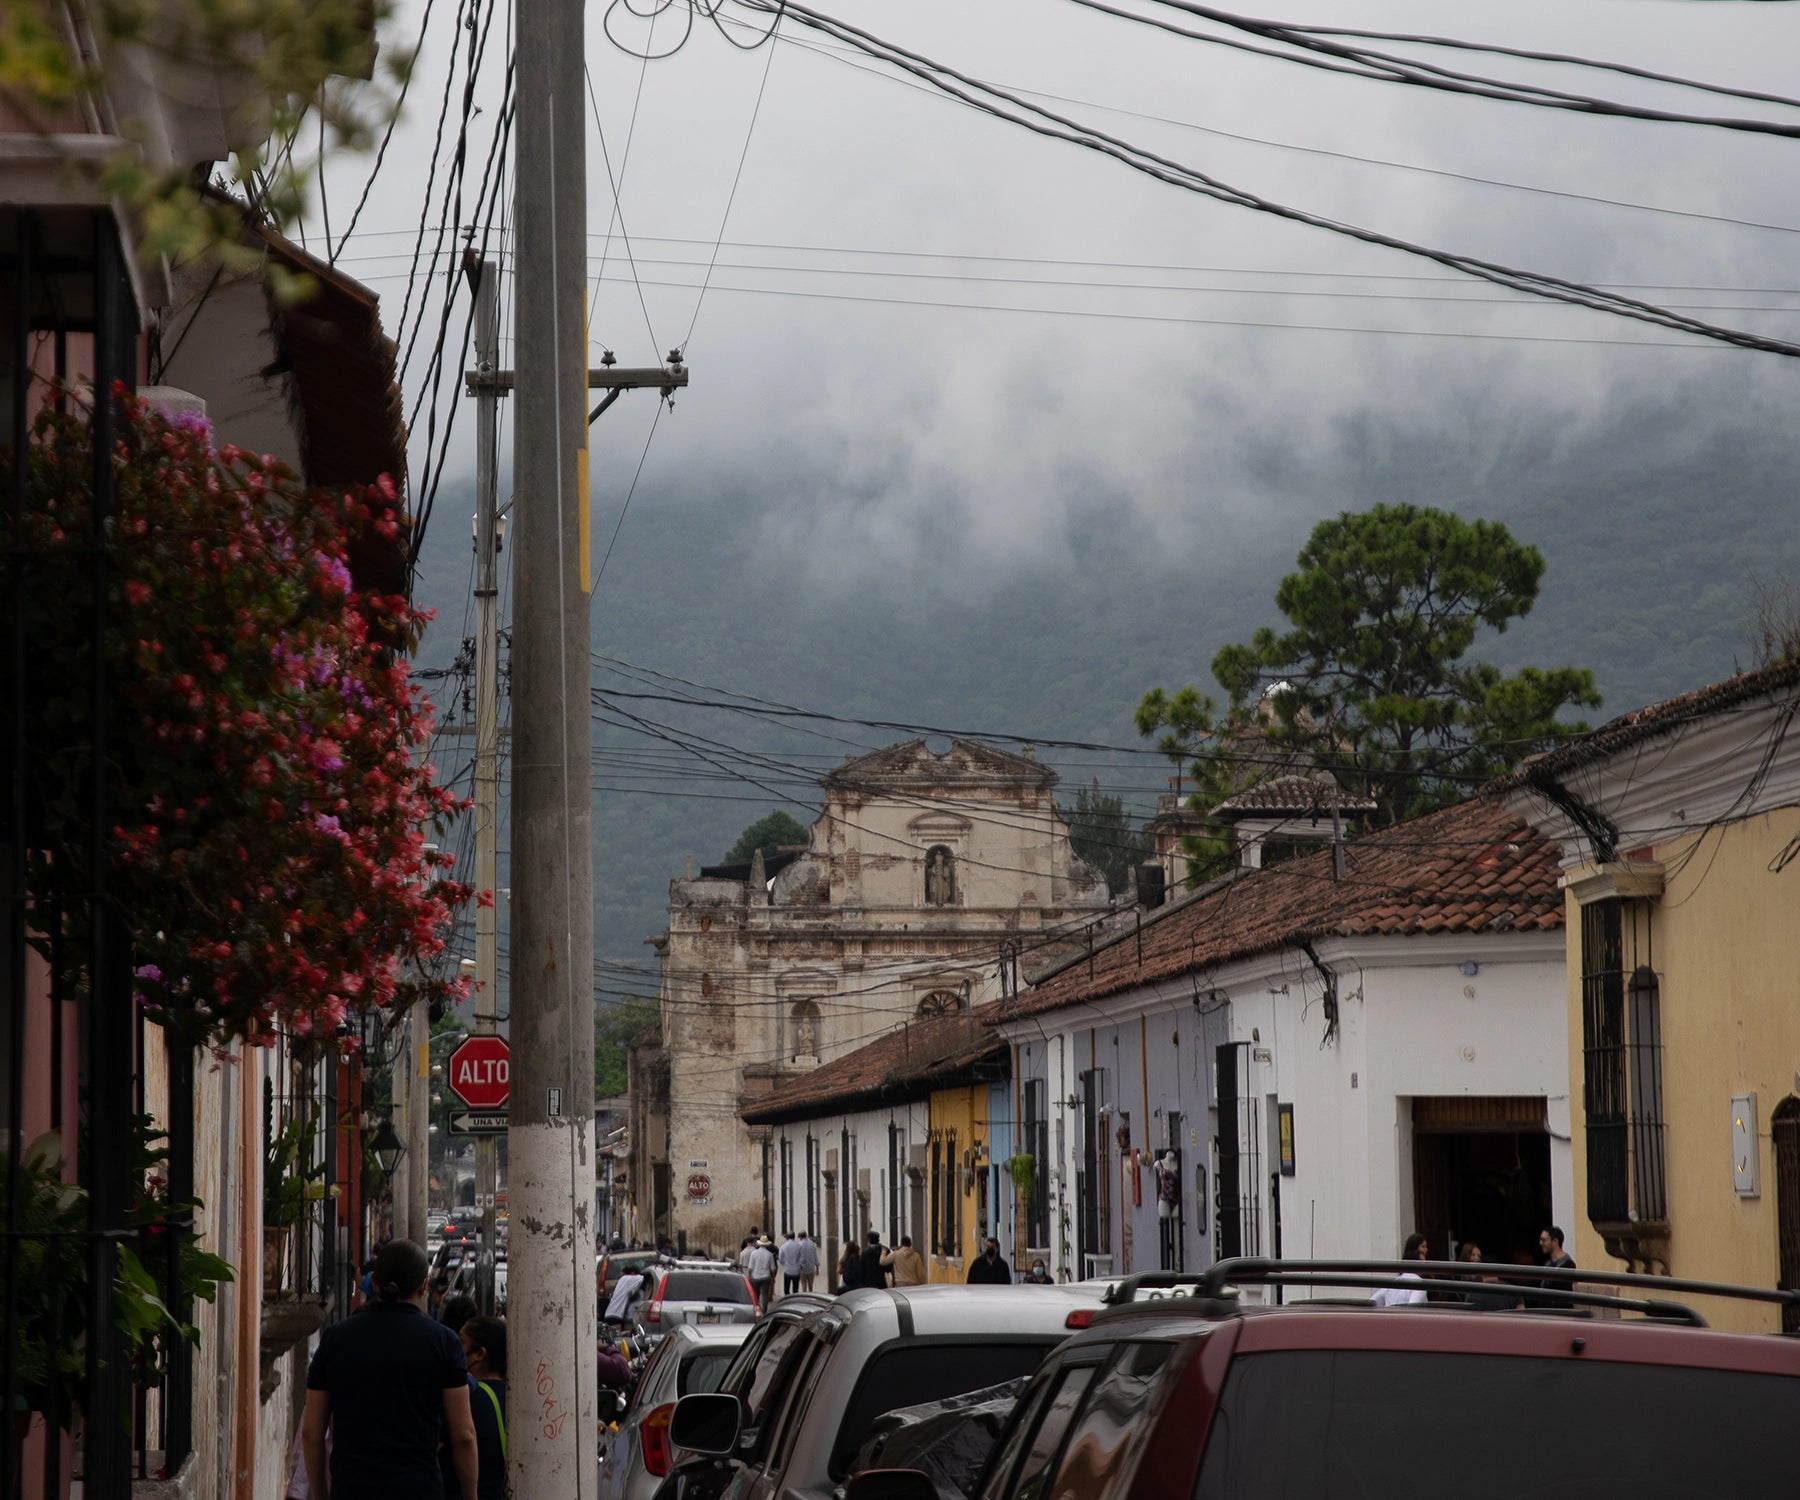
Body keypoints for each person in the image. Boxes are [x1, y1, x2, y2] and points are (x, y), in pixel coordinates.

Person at [303, 1238, 477, 1500]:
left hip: (352, 1488)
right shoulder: (444, 1343)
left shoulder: (336, 1339)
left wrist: (320, 1495)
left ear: (374, 1283)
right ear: (424, 1286)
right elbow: (463, 1435)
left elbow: (311, 1432)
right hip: (418, 1489)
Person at [448, 1315, 506, 1500]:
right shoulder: (515, 1398)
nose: (455, 1348)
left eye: (460, 1342)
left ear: (480, 1354)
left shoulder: (471, 1400)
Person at [1370, 1232, 1430, 1305]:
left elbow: (1371, 1303)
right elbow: (1413, 1309)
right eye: (1423, 1246)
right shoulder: (1419, 1284)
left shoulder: (1391, 1285)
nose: (1426, 1250)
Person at [747, 1235, 778, 1311]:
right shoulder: (769, 1254)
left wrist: (749, 1277)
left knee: (756, 1295)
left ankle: (757, 1309)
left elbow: (750, 1267)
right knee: (765, 1295)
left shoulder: (754, 1253)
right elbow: (773, 1268)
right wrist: (773, 1277)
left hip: (756, 1276)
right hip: (766, 1277)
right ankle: (764, 1310)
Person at [778, 1230, 806, 1296]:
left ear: (787, 1237)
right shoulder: (799, 1246)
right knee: (795, 1289)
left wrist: (785, 1263)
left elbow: (780, 1258)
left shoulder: (783, 1246)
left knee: (786, 1288)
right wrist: (800, 1265)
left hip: (787, 1269)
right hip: (796, 1270)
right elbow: (802, 1258)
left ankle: (787, 1300)